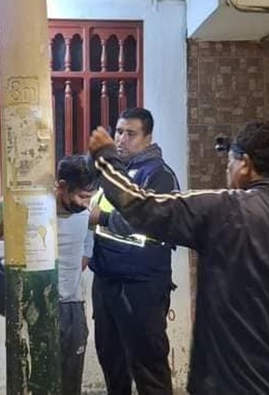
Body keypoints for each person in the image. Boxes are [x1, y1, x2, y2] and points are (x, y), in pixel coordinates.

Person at [88, 120, 269, 394]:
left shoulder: (219, 211)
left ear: (245, 164)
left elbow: (143, 207)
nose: (227, 170)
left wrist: (106, 158)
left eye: (229, 161)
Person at [0, 154, 99, 395]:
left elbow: (84, 255)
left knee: (70, 384)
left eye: (90, 197)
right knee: (37, 382)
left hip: (72, 309)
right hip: (36, 308)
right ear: (62, 185)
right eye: (81, 196)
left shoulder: (88, 212)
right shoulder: (26, 202)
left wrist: (65, 280)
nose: (86, 204)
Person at [88, 107, 179, 394]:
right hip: (107, 281)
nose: (121, 139)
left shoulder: (159, 175)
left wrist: (102, 218)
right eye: (118, 132)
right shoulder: (114, 174)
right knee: (111, 361)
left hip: (142, 286)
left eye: (131, 134)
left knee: (148, 365)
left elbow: (150, 222)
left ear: (147, 138)